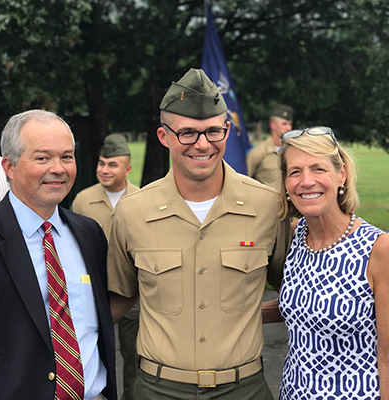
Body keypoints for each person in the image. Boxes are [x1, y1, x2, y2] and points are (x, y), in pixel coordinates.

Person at [107, 68, 290, 400]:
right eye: (188, 133)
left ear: (227, 131)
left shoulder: (267, 207)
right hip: (158, 389)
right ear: (163, 136)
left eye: (213, 132)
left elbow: (296, 295)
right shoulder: (133, 212)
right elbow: (118, 298)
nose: (203, 145)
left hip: (244, 389)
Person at [0, 110, 117, 400]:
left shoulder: (89, 234)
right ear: (8, 166)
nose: (58, 168)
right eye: (42, 158)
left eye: (67, 157)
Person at [277, 126, 389, 399]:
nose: (306, 181)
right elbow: (301, 307)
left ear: (342, 175)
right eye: (295, 172)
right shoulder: (294, 236)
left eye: (318, 169)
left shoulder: (379, 249)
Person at [72, 133, 140, 400]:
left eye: (112, 164)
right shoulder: (82, 200)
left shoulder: (141, 201)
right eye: (101, 163)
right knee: (94, 354)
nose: (104, 169)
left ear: (127, 169)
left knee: (134, 356)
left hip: (131, 295)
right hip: (93, 294)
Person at [246, 104, 293, 190]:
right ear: (273, 125)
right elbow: (244, 180)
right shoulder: (259, 152)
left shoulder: (292, 151)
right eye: (284, 124)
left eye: (290, 124)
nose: (289, 128)